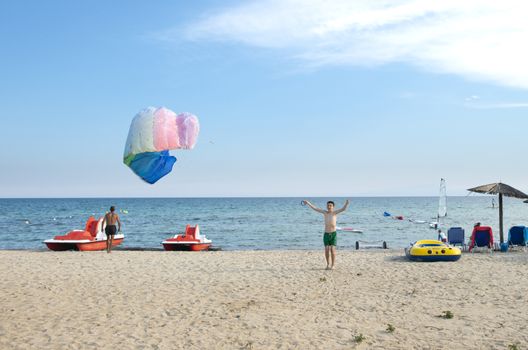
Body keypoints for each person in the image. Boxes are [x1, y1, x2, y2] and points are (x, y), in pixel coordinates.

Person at [302, 199, 350, 270]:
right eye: (328, 205)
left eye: (330, 205)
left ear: (333, 206)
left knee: (332, 250)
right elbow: (315, 208)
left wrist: (346, 203)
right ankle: (328, 264)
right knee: (327, 249)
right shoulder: (325, 213)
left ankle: (333, 265)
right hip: (326, 234)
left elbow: (343, 209)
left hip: (333, 234)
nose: (329, 207)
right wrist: (308, 203)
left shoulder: (335, 213)